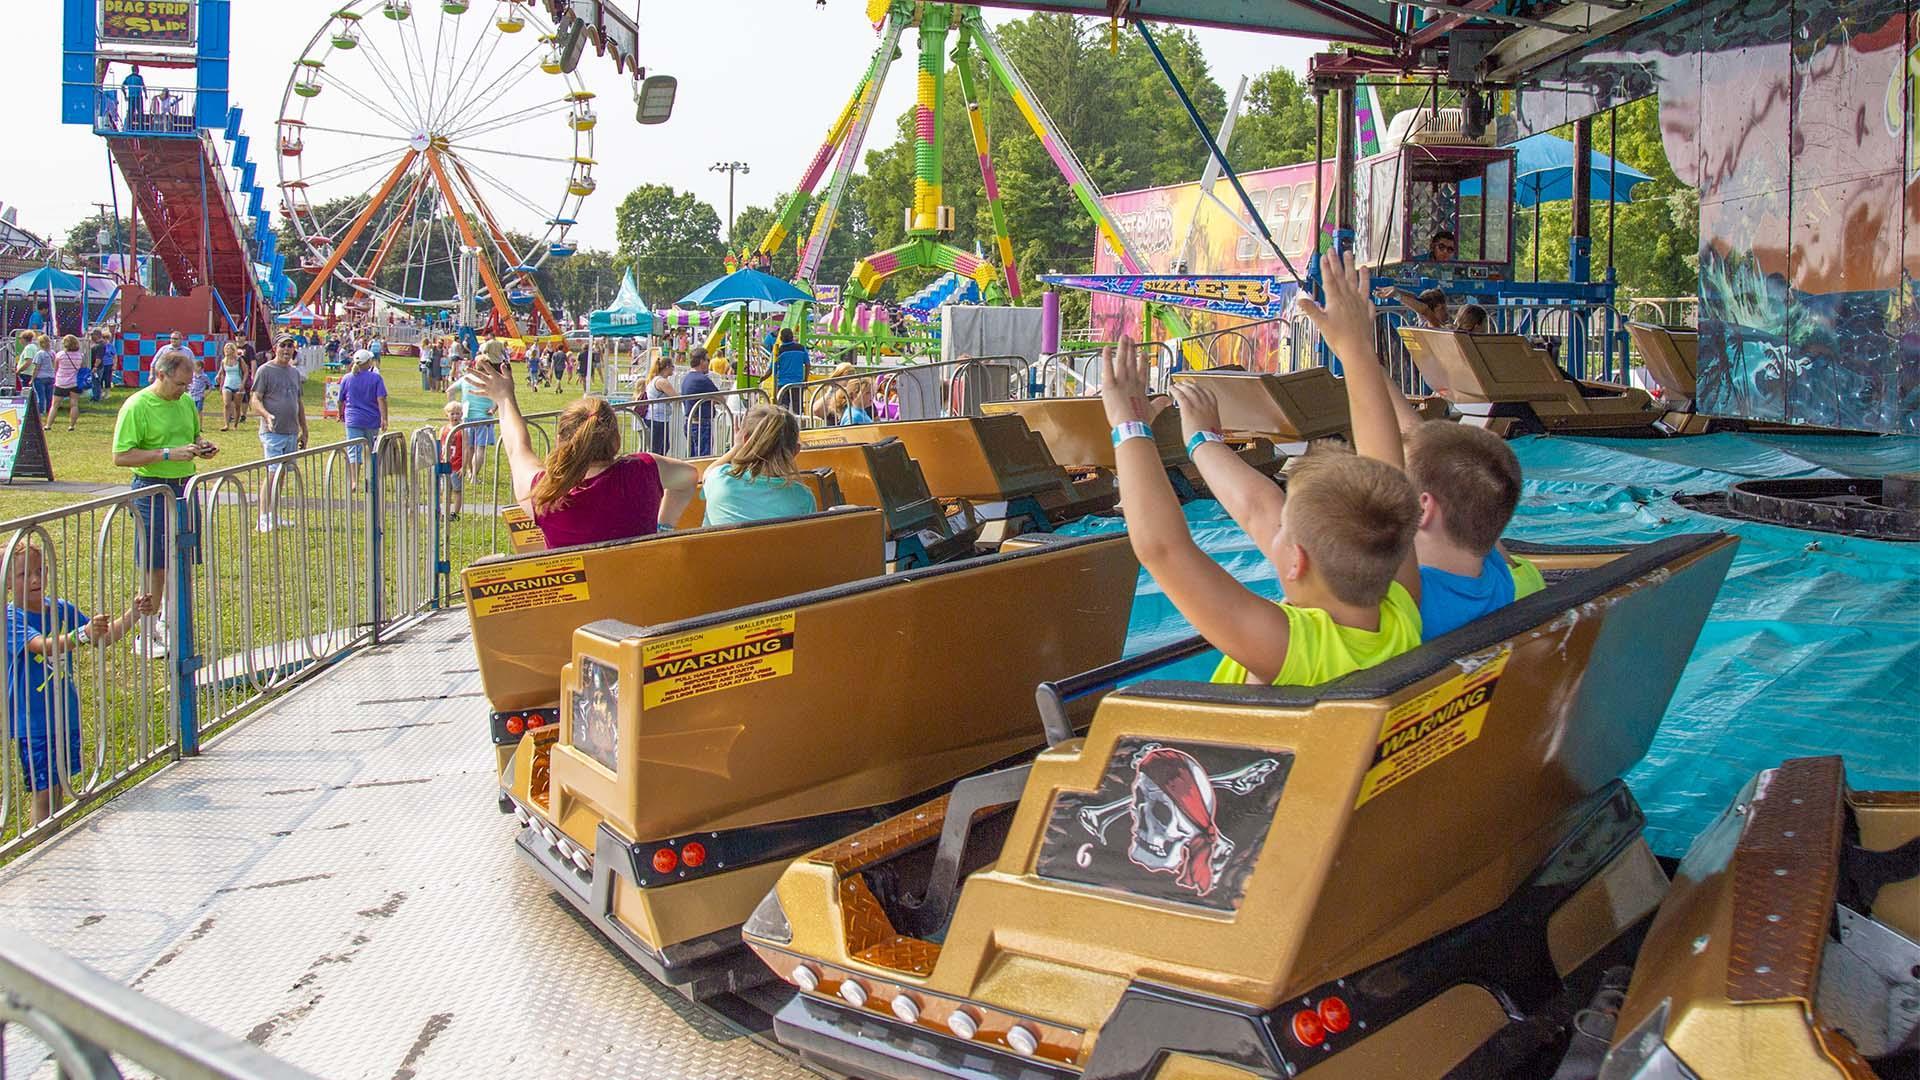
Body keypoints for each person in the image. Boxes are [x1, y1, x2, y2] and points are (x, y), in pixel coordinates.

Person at [1103, 335, 1422, 687]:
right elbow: (1259, 507)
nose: (1273, 525)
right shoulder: (1400, 607)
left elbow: (1163, 548)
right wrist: (1203, 442)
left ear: (1297, 561)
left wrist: (1128, 427)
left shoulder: (1294, 646)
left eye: (1282, 526)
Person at [1306, 251, 1543, 640]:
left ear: (1423, 508)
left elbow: (1385, 475)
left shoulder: (1407, 607)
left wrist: (1354, 354)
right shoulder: (1513, 578)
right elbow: (1421, 445)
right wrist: (1364, 358)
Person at [459, 359, 696, 548]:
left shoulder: (544, 494)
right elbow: (689, 476)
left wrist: (504, 398)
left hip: (575, 607)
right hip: (642, 599)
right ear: (616, 440)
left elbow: (516, 447)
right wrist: (664, 527)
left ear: (560, 441)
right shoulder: (645, 468)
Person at [5, 541, 156, 825]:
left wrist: (133, 614)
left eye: (40, 571)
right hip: (34, 722)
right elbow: (43, 645)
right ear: (8, 583)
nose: (36, 579)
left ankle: (53, 835)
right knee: (44, 791)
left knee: (59, 785)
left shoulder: (61, 609)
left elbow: (105, 636)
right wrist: (82, 635)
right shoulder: (11, 617)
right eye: (24, 575)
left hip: (65, 714)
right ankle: (42, 844)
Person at [110, 347, 218, 659]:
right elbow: (121, 456)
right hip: (151, 489)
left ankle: (171, 622)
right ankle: (146, 631)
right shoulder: (137, 406)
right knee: (154, 566)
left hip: (185, 487)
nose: (185, 391)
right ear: (161, 375)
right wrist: (166, 454)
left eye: (188, 385)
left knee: (181, 560)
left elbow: (194, 435)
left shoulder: (184, 402)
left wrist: (203, 446)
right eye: (180, 385)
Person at [702, 405, 818, 526]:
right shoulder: (803, 497)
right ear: (796, 450)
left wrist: (737, 447)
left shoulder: (720, 480)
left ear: (746, 440)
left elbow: (708, 473)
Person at [250, 335, 309, 534]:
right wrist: (266, 415)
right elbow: (255, 400)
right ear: (275, 348)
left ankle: (273, 513)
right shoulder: (265, 371)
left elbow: (299, 402)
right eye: (282, 345)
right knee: (272, 473)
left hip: (291, 431)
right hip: (272, 432)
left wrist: (304, 429)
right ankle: (263, 517)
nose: (286, 349)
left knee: (282, 474)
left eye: (289, 346)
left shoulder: (294, 373)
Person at [338, 348, 388, 492]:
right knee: (372, 450)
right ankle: (371, 478)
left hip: (353, 419)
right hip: (372, 419)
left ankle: (354, 480)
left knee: (354, 450)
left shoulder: (347, 378)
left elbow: (341, 400)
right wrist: (384, 418)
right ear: (368, 362)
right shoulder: (376, 378)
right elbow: (381, 399)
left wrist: (340, 414)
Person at [460, 340, 501, 482]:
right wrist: (493, 409)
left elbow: (450, 390)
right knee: (480, 448)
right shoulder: (492, 380)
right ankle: (474, 476)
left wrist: (454, 406)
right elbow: (498, 399)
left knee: (470, 447)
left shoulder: (466, 378)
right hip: (484, 417)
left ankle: (471, 473)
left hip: (468, 417)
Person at [678, 347, 720, 456]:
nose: (708, 363)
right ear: (701, 361)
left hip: (690, 422)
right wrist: (712, 400)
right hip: (702, 424)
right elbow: (721, 399)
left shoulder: (686, 378)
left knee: (692, 458)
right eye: (707, 360)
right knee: (703, 459)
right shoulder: (702, 379)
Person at [50, 335, 87, 430]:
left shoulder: (60, 355)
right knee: (74, 404)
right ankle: (71, 425)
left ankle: (48, 425)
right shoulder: (80, 355)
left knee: (55, 405)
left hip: (61, 382)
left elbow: (56, 368)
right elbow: (82, 368)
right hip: (75, 382)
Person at [438, 400, 466, 521]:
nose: (455, 416)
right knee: (445, 490)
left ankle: (455, 512)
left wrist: (464, 466)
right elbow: (439, 446)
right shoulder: (443, 429)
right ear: (447, 414)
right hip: (445, 465)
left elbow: (466, 449)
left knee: (457, 490)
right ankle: (446, 512)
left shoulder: (462, 430)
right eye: (452, 414)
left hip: (456, 465)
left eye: (457, 413)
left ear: (461, 414)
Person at [644, 354, 677, 454]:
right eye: (672, 366)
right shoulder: (662, 381)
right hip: (657, 418)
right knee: (658, 448)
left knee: (663, 446)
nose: (673, 369)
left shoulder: (656, 379)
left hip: (658, 417)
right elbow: (676, 396)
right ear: (667, 367)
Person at [217, 341, 247, 430]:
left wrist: (243, 383)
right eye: (225, 349)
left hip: (238, 384)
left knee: (237, 406)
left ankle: (235, 425)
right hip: (227, 384)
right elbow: (222, 373)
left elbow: (245, 372)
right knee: (226, 404)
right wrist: (220, 384)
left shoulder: (239, 360)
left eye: (229, 349)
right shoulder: (223, 361)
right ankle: (226, 425)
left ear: (233, 350)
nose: (227, 351)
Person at [772, 328, 809, 393]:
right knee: (797, 403)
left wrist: (763, 378)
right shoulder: (802, 348)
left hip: (783, 385)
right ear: (792, 337)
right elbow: (808, 365)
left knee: (783, 403)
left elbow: (772, 369)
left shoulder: (778, 351)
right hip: (798, 384)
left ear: (781, 338)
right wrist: (805, 380)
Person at [29, 334, 55, 423]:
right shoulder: (52, 353)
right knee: (49, 396)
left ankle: (40, 412)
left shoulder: (39, 354)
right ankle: (49, 410)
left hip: (40, 377)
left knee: (41, 396)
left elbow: (37, 368)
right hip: (51, 376)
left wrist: (32, 378)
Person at [122, 64, 146, 130]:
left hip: (131, 97)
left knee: (130, 112)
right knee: (140, 112)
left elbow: (122, 87)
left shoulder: (128, 77)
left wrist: (125, 95)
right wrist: (146, 94)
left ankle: (129, 127)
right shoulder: (139, 77)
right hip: (138, 96)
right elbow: (143, 86)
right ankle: (140, 127)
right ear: (137, 70)